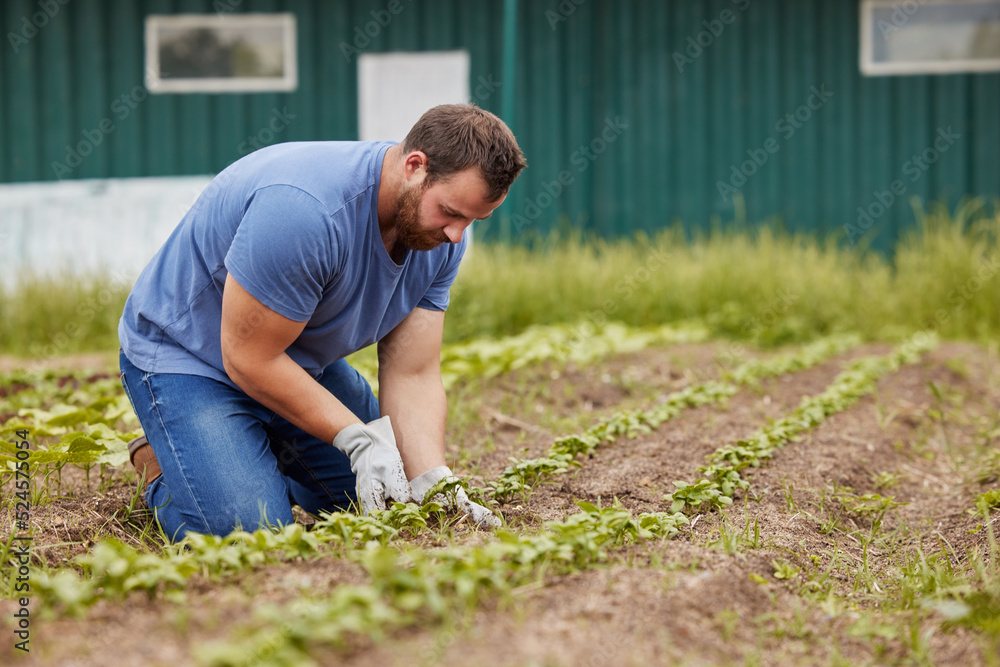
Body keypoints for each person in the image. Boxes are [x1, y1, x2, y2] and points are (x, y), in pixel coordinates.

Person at [118, 104, 527, 541]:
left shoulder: (439, 239)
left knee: (391, 501)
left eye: (472, 221)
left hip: (294, 359)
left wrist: (433, 480)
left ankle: (249, 454)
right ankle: (167, 466)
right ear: (414, 166)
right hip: (192, 359)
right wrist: (355, 438)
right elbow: (247, 356)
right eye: (451, 212)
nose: (456, 235)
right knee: (248, 534)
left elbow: (414, 370)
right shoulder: (305, 212)